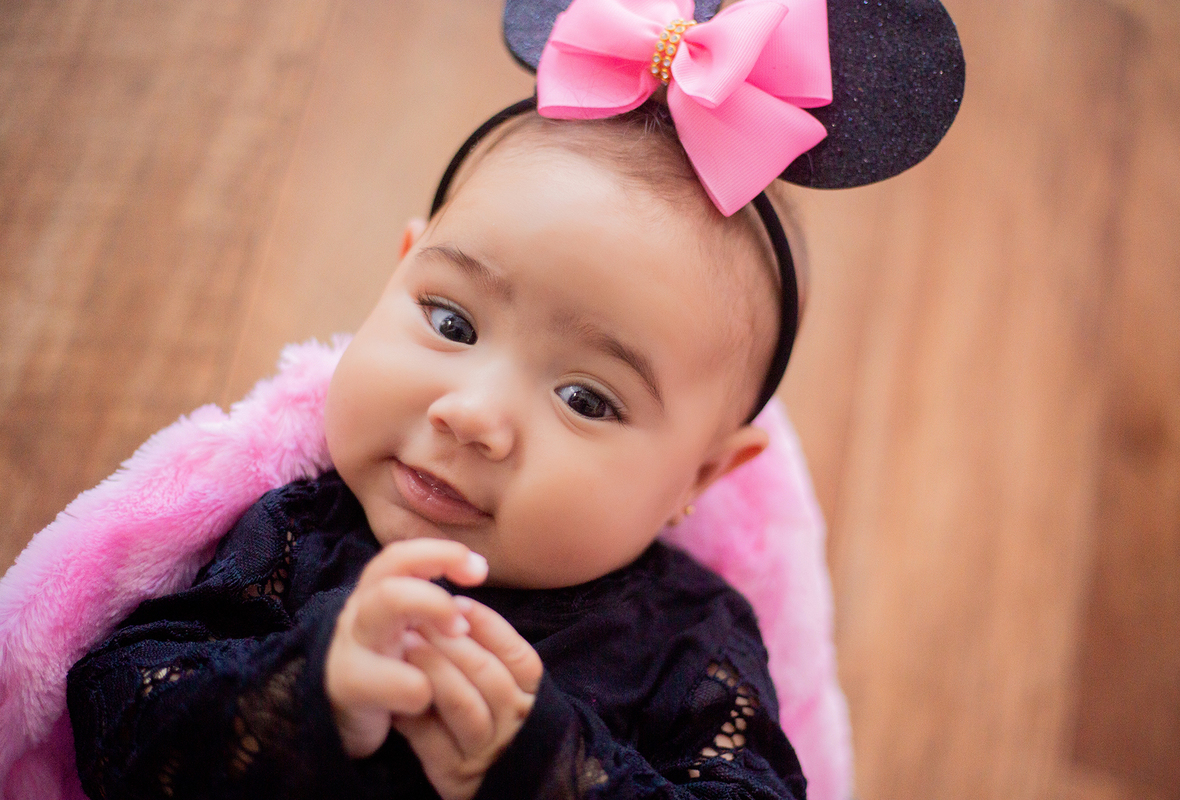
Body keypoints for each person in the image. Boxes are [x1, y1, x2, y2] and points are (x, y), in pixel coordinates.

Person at [65, 1, 965, 798]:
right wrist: (307, 690)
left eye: (587, 396)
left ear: (701, 473)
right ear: (400, 270)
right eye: (452, 323)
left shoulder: (688, 644)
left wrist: (540, 764)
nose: (474, 416)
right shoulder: (293, 538)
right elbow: (113, 711)